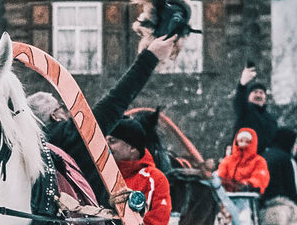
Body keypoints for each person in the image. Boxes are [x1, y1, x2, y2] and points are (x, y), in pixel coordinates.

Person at [29, 32, 183, 198]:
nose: (67, 113)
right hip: (89, 220)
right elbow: (115, 102)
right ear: (55, 116)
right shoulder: (71, 137)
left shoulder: (29, 152)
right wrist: (150, 57)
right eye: (61, 108)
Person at [232, 65, 278, 149]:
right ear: (248, 96)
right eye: (255, 92)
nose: (258, 95)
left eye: (261, 93)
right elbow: (239, 101)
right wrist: (242, 85)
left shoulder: (270, 119)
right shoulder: (245, 111)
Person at [216, 127, 270, 193]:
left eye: (247, 141)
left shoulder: (259, 161)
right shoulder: (228, 160)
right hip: (227, 196)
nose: (243, 144)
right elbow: (220, 175)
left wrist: (246, 184)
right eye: (241, 141)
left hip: (247, 196)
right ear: (237, 142)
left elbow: (260, 179)